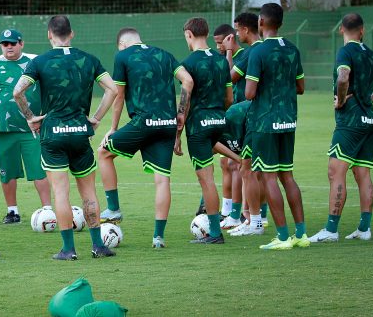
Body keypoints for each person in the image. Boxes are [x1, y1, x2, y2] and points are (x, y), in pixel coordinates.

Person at [14, 15, 118, 260]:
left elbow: (18, 92)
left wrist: (31, 117)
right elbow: (112, 89)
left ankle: (68, 250)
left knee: (61, 193)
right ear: (72, 34)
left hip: (53, 134)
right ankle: (98, 246)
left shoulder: (40, 61)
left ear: (49, 34)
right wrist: (96, 118)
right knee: (89, 193)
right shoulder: (89, 59)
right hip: (81, 133)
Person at [97, 27, 194, 248]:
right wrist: (180, 113)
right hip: (167, 124)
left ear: (122, 44)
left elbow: (119, 94)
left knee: (103, 153)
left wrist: (112, 127)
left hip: (144, 122)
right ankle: (158, 238)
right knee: (162, 180)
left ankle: (113, 208)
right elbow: (187, 81)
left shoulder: (122, 56)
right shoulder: (165, 54)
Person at [308, 13, 373, 243]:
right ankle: (364, 229)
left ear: (341, 30)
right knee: (362, 173)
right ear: (363, 30)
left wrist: (341, 100)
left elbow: (343, 77)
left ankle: (331, 230)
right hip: (369, 120)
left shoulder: (346, 51)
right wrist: (371, 98)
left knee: (335, 172)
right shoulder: (370, 54)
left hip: (351, 122)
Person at [245, 3, 308, 250]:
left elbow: (249, 93)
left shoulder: (258, 52)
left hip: (265, 122)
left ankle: (282, 237)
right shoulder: (292, 49)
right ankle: (301, 235)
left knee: (268, 177)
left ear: (261, 22)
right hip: (288, 120)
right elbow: (301, 87)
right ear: (280, 23)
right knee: (288, 176)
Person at [0, 29, 52, 223]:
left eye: (12, 43)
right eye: (5, 43)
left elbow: (49, 87)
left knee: (39, 168)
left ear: (21, 43)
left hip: (32, 128)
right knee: (6, 170)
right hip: (3, 127)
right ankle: (12, 211)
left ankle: (48, 209)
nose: (8, 47)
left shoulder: (35, 61)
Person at [175, 17, 233, 244]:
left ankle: (216, 234)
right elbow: (229, 98)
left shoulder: (187, 63)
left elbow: (184, 103)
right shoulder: (221, 61)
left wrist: (177, 135)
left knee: (206, 180)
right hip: (220, 121)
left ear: (189, 34)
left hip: (199, 127)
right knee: (211, 175)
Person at [227, 12, 269, 235]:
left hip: (253, 117)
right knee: (259, 170)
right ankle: (254, 217)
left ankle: (255, 222)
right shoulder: (272, 49)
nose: (235, 34)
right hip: (274, 116)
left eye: (237, 30)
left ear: (245, 29)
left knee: (247, 169)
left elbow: (230, 77)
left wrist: (227, 53)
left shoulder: (253, 51)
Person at [213, 24, 243, 227]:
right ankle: (227, 211)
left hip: (243, 119)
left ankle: (241, 214)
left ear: (230, 39)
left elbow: (229, 79)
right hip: (228, 118)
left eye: (220, 43)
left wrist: (230, 52)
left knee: (239, 165)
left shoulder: (244, 56)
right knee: (226, 163)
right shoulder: (221, 58)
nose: (218, 47)